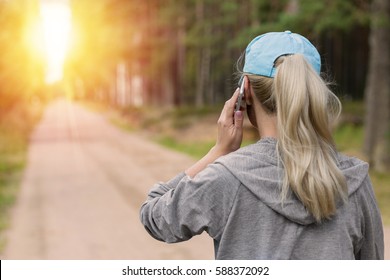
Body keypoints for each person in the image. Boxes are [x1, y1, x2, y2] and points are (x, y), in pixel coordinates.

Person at [140, 31, 384, 259]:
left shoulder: (227, 178)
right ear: (313, 91)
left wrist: (219, 151)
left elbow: (155, 216)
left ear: (244, 91)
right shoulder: (354, 180)